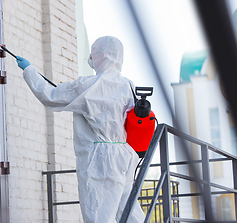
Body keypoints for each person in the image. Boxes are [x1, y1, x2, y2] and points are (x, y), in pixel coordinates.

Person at [16, 36, 145, 223]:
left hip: (100, 160)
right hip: (124, 155)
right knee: (129, 212)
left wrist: (29, 71)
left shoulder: (89, 84)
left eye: (94, 51)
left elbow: (51, 95)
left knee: (99, 215)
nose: (91, 56)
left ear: (102, 54)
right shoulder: (128, 84)